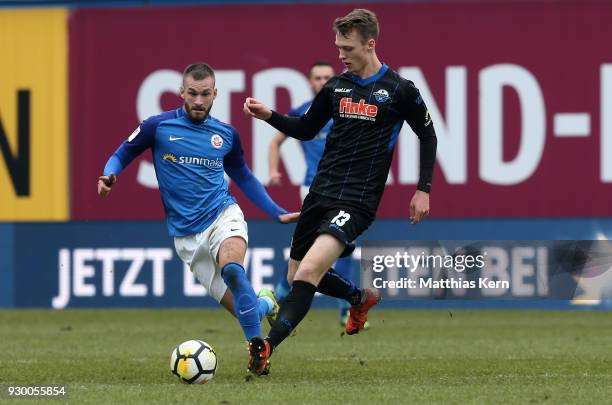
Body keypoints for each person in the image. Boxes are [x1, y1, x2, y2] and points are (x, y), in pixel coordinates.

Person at [243, 8, 437, 375]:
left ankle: (266, 348)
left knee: (309, 273)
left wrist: (422, 189)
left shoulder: (399, 90)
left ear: (370, 43)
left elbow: (427, 133)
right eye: (337, 46)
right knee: (293, 275)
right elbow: (304, 128)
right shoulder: (336, 88)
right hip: (319, 194)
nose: (340, 54)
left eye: (347, 47)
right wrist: (270, 115)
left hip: (357, 200)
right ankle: (358, 297)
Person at [98, 62, 298, 374]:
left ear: (216, 94)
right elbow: (122, 153)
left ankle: (258, 353)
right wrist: (109, 175)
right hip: (187, 239)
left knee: (233, 268)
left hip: (223, 216)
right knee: (249, 311)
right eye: (192, 93)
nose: (199, 100)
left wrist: (276, 211)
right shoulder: (157, 126)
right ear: (181, 92)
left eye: (205, 94)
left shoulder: (225, 134)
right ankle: (269, 303)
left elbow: (243, 177)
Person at [267, 60, 362, 328]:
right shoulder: (304, 112)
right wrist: (273, 170)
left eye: (327, 77)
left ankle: (343, 309)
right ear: (310, 82)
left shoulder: (348, 108)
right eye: (317, 78)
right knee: (317, 250)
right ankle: (279, 296)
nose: (322, 82)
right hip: (313, 188)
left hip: (345, 189)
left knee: (334, 248)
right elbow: (276, 141)